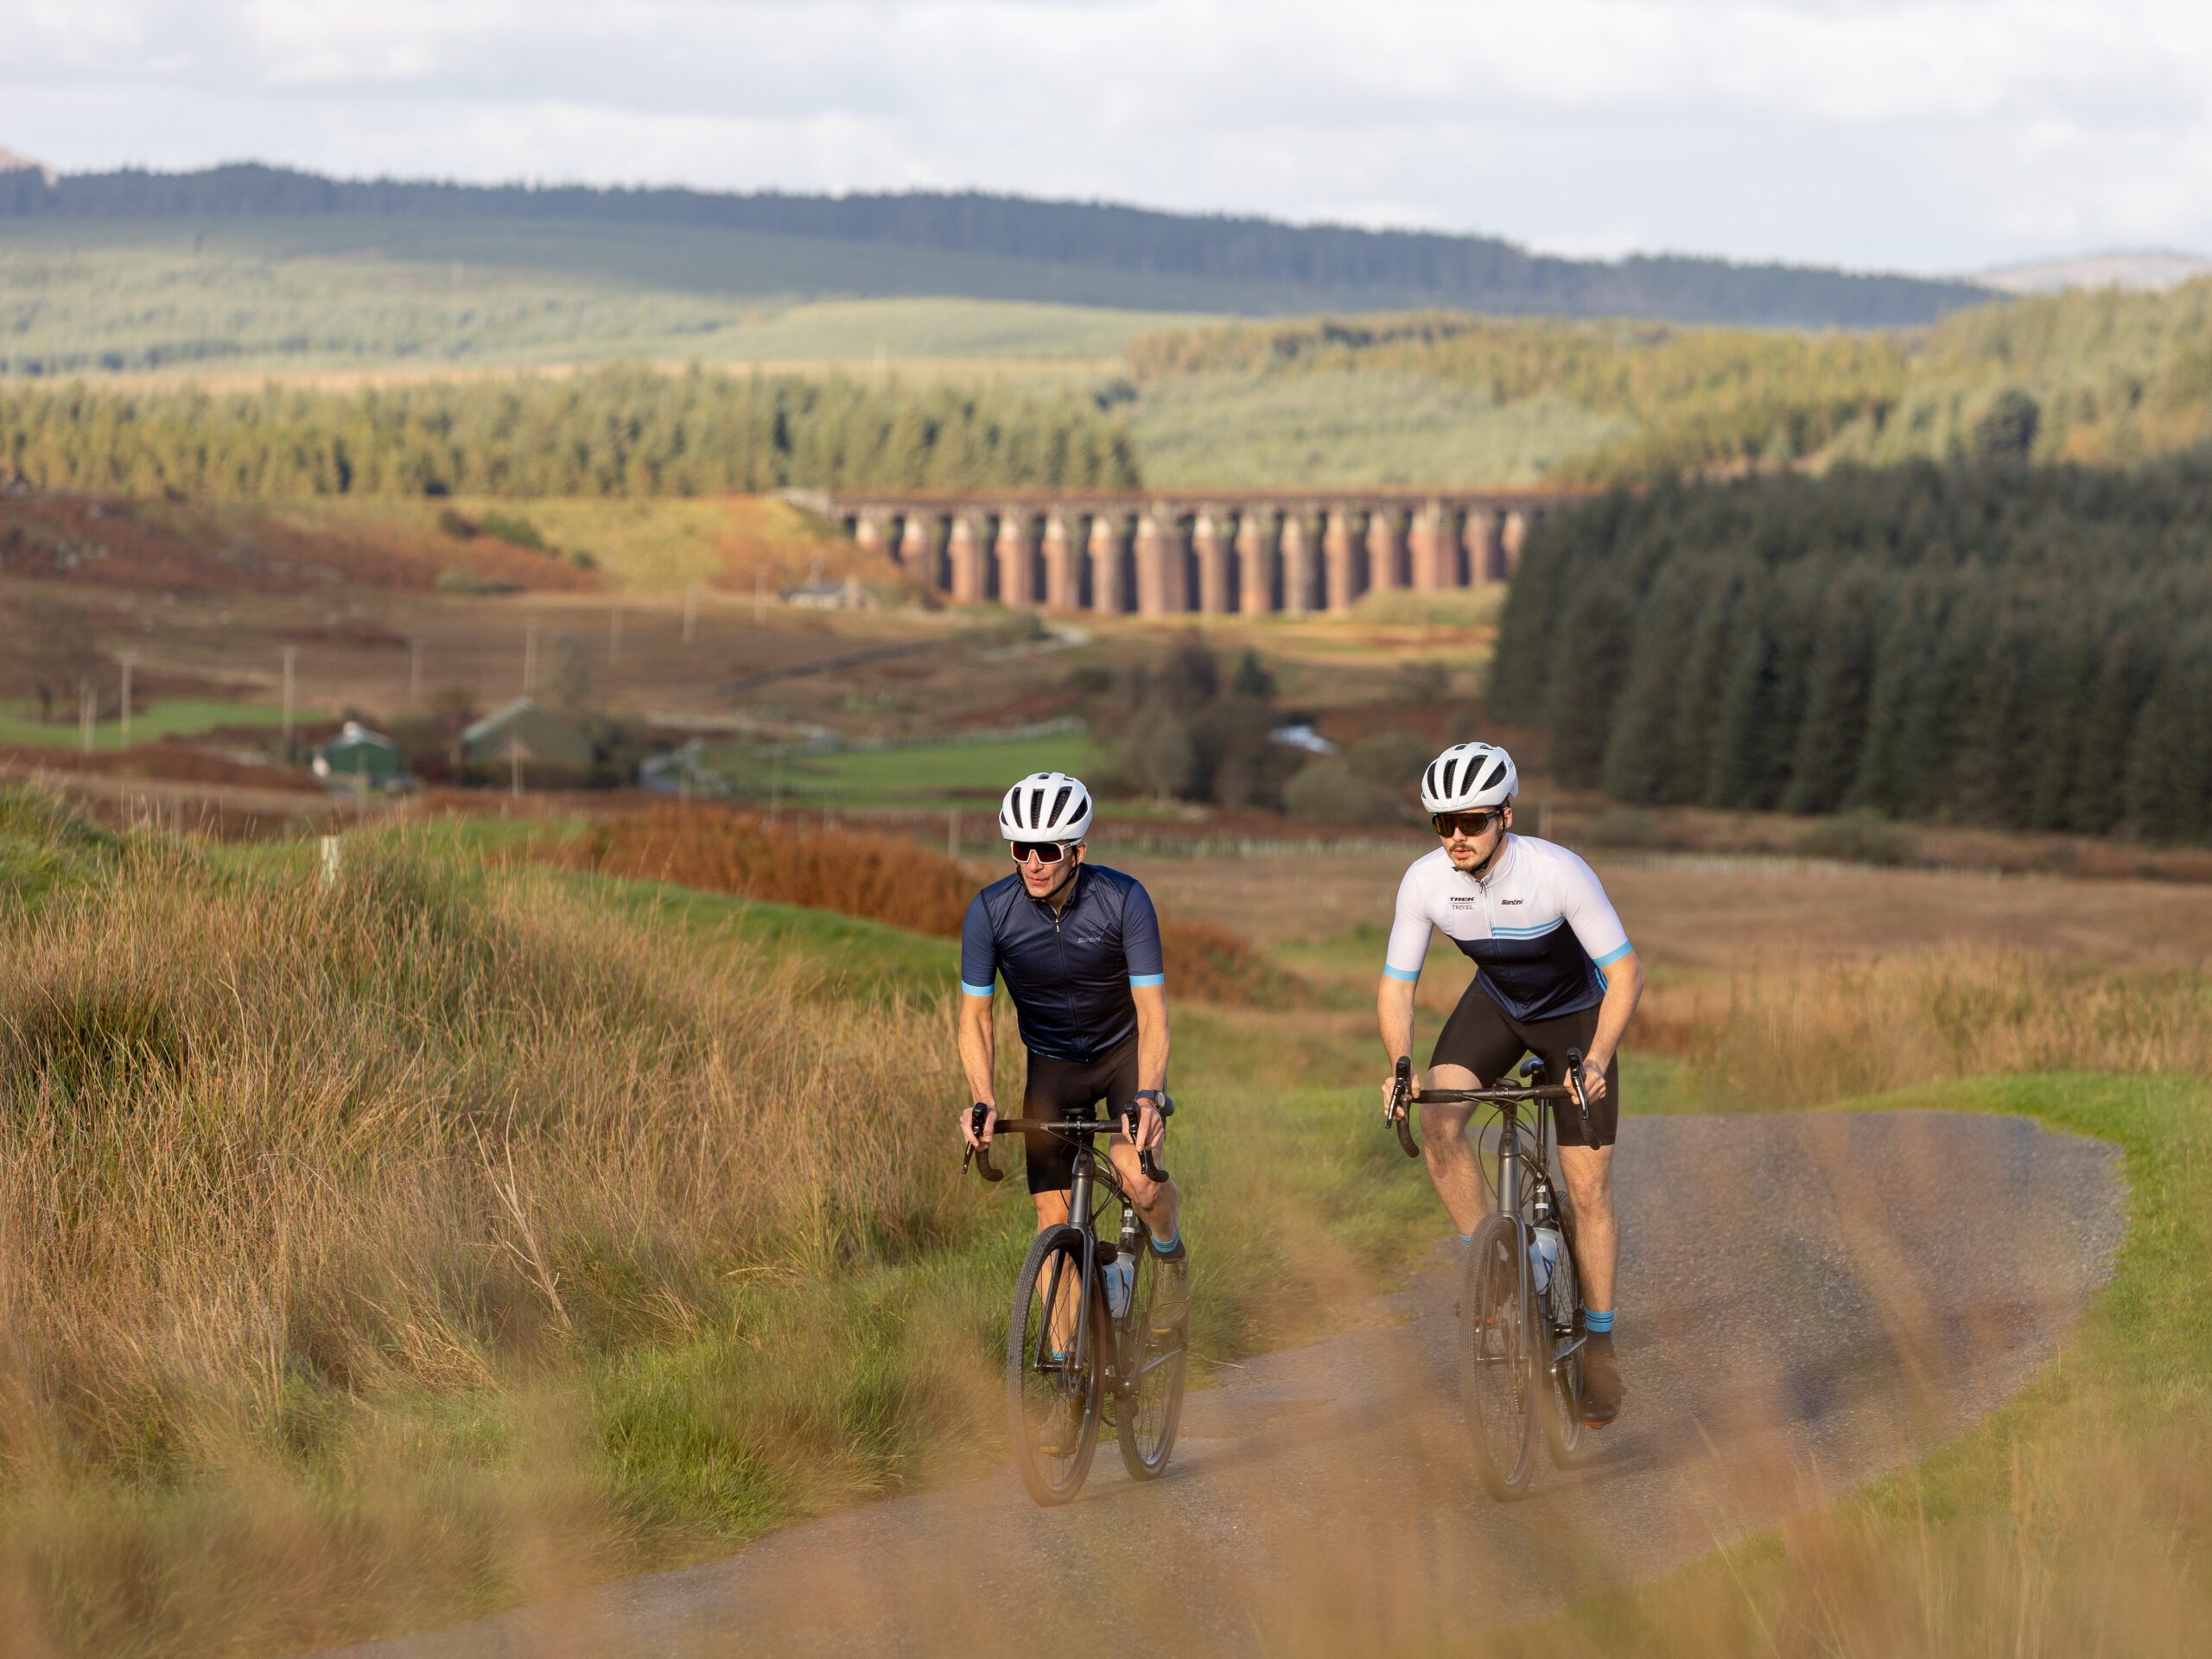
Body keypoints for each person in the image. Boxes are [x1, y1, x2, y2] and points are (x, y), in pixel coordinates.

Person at [1375, 741, 1642, 1426]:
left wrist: (1598, 1061)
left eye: (1472, 822)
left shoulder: (1558, 872)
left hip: (1574, 1021)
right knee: (1439, 1121)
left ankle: (1602, 1343)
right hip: (1496, 1008)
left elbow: (1626, 972)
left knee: (1587, 1187)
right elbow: (1396, 987)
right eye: (1443, 824)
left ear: (1506, 816)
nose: (1456, 837)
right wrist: (1401, 1067)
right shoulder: (1425, 882)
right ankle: (1495, 1264)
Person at [957, 772, 1187, 1351]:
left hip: (1122, 1057)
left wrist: (1147, 1097)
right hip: (1052, 1068)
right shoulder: (990, 912)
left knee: (1140, 1181)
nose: (1033, 863)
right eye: (1021, 849)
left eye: (1049, 850)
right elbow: (975, 1019)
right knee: (1053, 1222)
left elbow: (1153, 1013)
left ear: (1078, 851)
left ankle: (1168, 1252)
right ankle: (1065, 1372)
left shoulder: (1124, 900)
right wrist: (983, 1098)